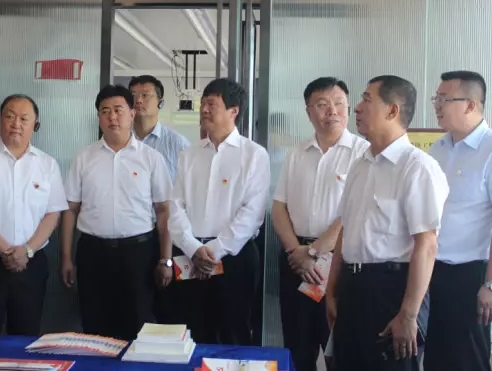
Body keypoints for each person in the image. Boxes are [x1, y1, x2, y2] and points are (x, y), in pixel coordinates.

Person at [326, 75, 449, 371]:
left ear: (392, 110)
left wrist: (408, 314)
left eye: (367, 100)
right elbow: (345, 231)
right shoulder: (360, 166)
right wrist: (331, 291)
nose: (356, 107)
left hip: (392, 290)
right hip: (352, 288)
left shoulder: (417, 168)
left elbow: (426, 245)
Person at [61, 85, 172, 341]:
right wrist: (66, 257)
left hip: (139, 254)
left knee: (138, 326)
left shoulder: (151, 158)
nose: (112, 117)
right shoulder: (84, 157)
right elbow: (70, 210)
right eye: (105, 111)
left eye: (118, 110)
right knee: (94, 326)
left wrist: (165, 259)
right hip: (93, 253)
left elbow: (164, 211)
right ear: (98, 117)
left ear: (132, 113)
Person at [272, 77, 369, 371]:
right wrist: (296, 252)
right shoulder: (297, 153)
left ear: (349, 107)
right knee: (297, 346)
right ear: (308, 111)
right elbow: (279, 207)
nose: (332, 111)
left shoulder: (363, 153)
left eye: (339, 103)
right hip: (295, 261)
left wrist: (314, 252)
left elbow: (352, 212)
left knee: (337, 347)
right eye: (322, 104)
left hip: (338, 262)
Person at [168, 78, 270, 345]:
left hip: (234, 258)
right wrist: (193, 248)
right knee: (192, 334)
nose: (204, 110)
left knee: (233, 334)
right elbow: (175, 206)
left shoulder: (254, 155)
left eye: (211, 104)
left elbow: (252, 214)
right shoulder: (189, 155)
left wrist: (214, 251)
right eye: (202, 103)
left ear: (233, 111)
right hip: (190, 256)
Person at [0, 94, 68, 350]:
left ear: (35, 124)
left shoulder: (47, 164)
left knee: (26, 336)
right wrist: (6, 250)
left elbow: (53, 214)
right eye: (10, 116)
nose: (16, 124)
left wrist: (27, 250)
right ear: (0, 120)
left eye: (24, 119)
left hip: (32, 262)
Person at [424, 71, 492, 371]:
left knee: (467, 359)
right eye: (436, 99)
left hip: (471, 275)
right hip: (432, 270)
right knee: (435, 357)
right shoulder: (437, 149)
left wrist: (490, 284)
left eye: (444, 99)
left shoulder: (489, 150)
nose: (437, 106)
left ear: (470, 105)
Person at [128, 75, 190, 324]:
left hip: (170, 236)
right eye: (133, 96)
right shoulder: (121, 142)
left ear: (160, 102)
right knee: (134, 308)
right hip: (133, 237)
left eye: (145, 95)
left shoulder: (178, 145)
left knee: (168, 308)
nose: (138, 100)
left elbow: (186, 196)